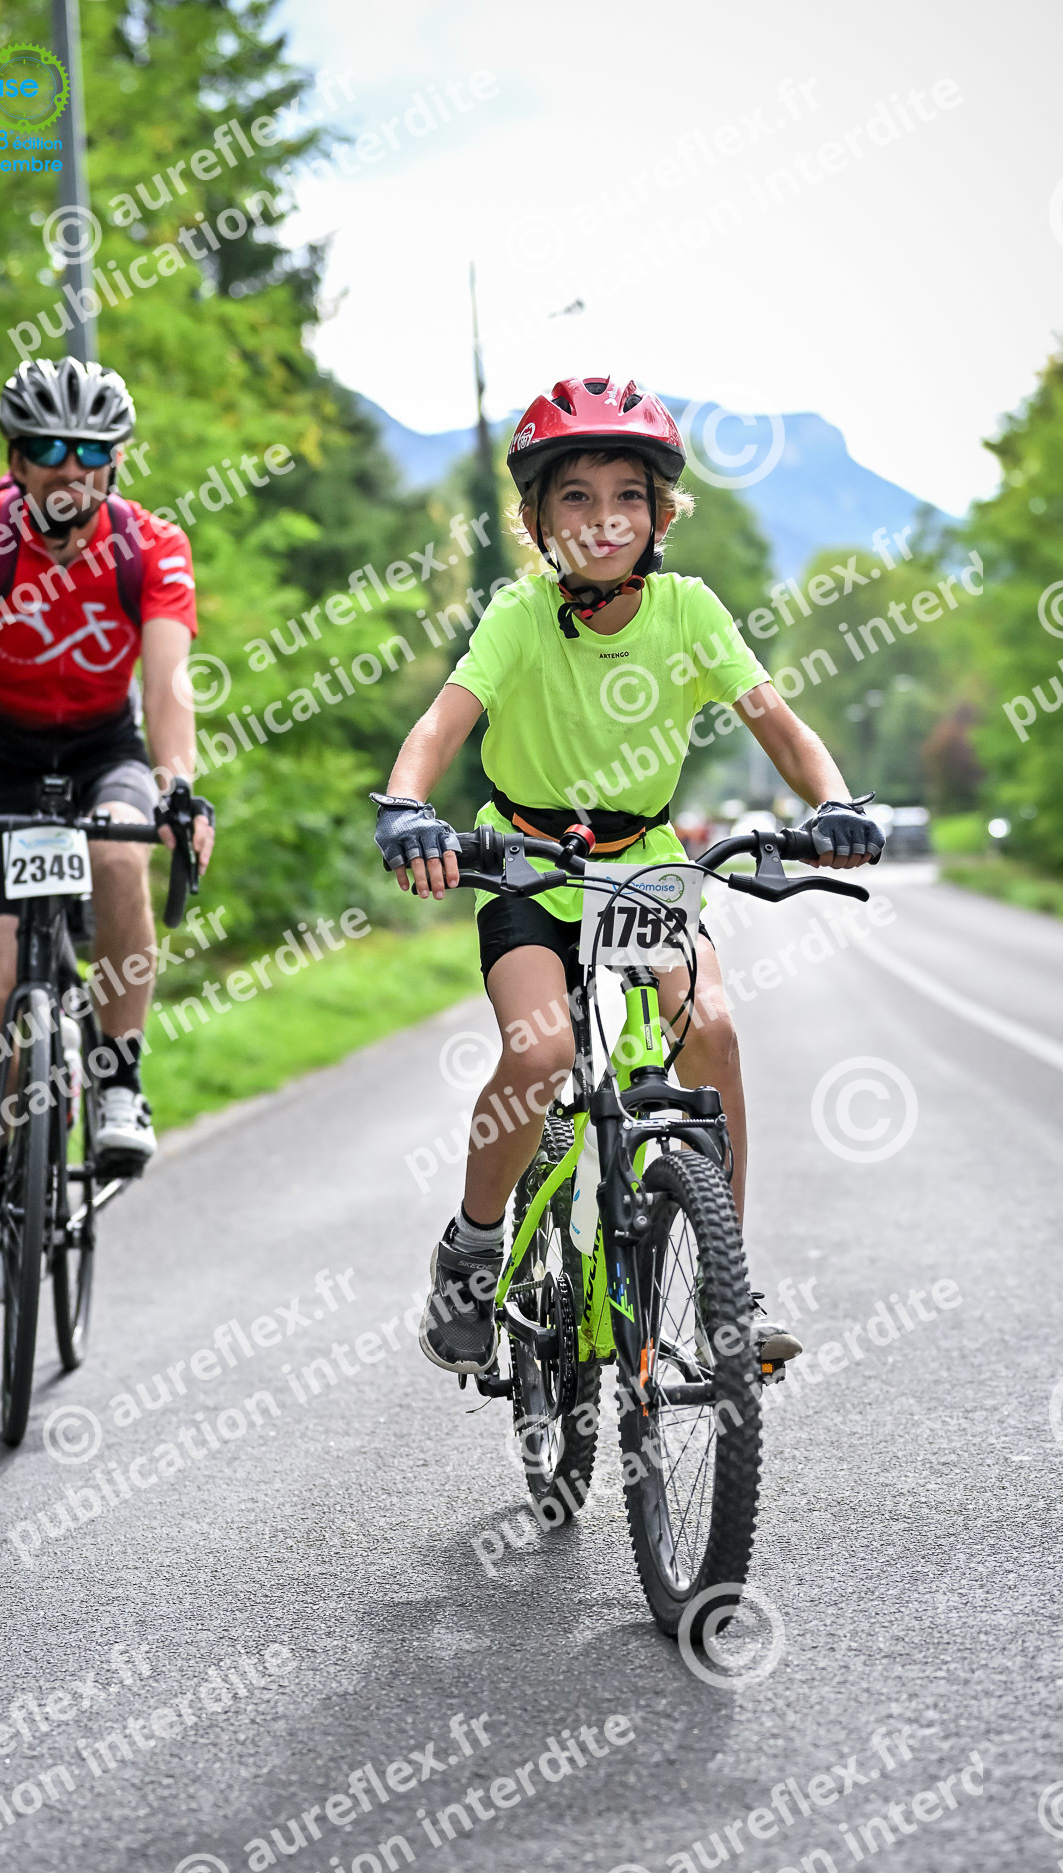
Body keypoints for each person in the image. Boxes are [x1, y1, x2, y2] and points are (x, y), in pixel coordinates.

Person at [371, 373, 883, 1376]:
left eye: (625, 497)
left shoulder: (688, 611)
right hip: (525, 864)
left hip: (644, 865)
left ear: (658, 515)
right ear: (535, 519)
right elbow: (439, 724)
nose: (602, 519)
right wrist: (407, 809)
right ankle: (472, 1250)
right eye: (575, 496)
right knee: (541, 1055)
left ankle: (726, 1290)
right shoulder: (519, 615)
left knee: (713, 1030)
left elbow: (781, 727)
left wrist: (831, 802)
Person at [0, 356, 214, 1310]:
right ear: (16, 460)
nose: (71, 468)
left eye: (91, 453)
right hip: (6, 762)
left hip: (106, 750)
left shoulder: (151, 544)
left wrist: (179, 789)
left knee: (119, 850)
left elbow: (167, 686)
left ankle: (119, 1077)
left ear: (115, 464)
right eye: (49, 449)